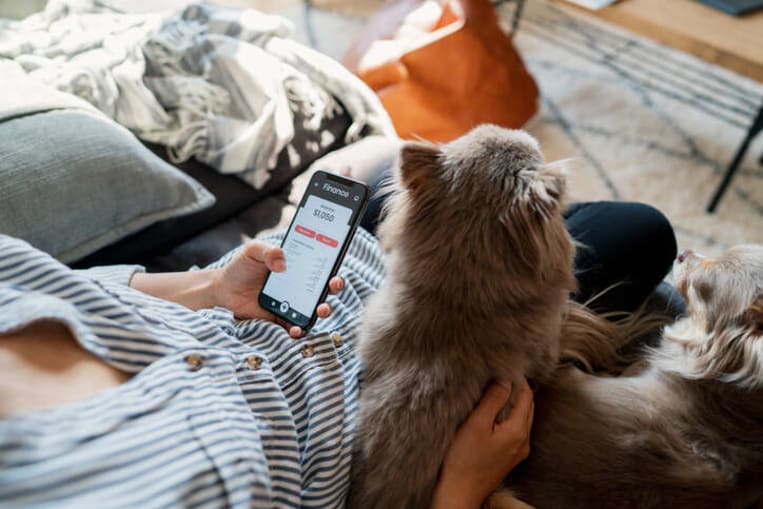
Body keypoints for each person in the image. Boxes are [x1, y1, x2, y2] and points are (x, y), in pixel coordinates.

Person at [0, 153, 676, 508]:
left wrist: (207, 287)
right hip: (402, 398)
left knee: (375, 158)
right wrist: (462, 487)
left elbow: (83, 286)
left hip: (305, 276)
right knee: (642, 231)